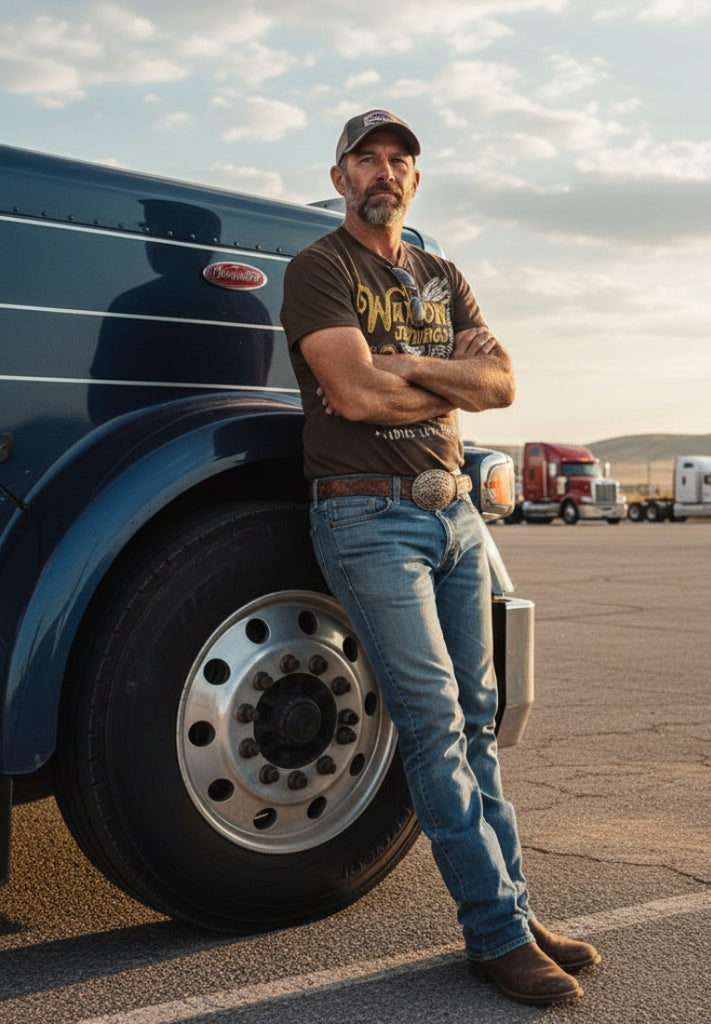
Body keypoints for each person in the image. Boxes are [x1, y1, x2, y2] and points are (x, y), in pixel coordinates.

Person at [280, 109, 600, 1006]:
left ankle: (513, 907)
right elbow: (349, 389)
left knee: (477, 717)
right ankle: (495, 934)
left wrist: (402, 366)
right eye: (368, 160)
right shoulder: (319, 269)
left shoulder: (441, 272)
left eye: (401, 162)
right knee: (430, 724)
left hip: (457, 515)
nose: (386, 173)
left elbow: (501, 385)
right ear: (341, 176)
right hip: (367, 519)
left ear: (416, 181)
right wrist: (431, 372)